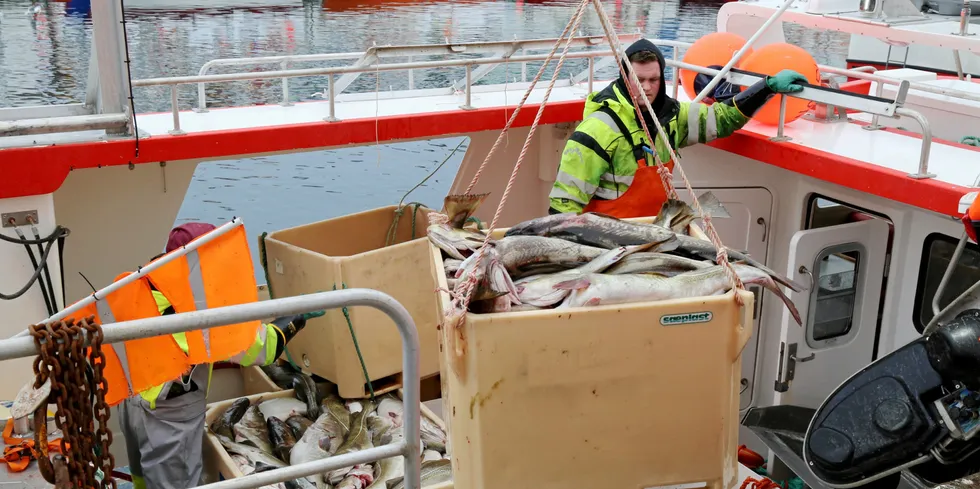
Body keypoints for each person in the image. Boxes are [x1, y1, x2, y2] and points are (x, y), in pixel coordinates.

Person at [117, 222, 318, 489]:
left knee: (143, 478)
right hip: (169, 414)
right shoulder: (201, 310)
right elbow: (261, 349)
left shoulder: (144, 285)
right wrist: (296, 316)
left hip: (132, 401)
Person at [548, 39, 809, 218]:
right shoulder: (596, 130)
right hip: (610, 246)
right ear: (624, 77)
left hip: (655, 236)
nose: (647, 88)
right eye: (638, 80)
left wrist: (767, 87)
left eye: (654, 80)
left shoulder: (673, 116)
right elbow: (564, 206)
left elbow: (722, 119)